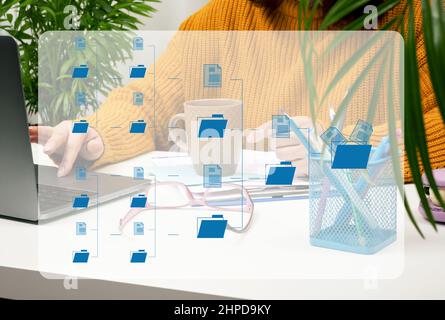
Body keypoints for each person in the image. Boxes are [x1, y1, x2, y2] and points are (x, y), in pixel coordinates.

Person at [30, 0, 441, 182]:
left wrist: (340, 149)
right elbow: (151, 96)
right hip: (242, 249)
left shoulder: (421, 19)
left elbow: (437, 129)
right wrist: (100, 135)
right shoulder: (226, 14)